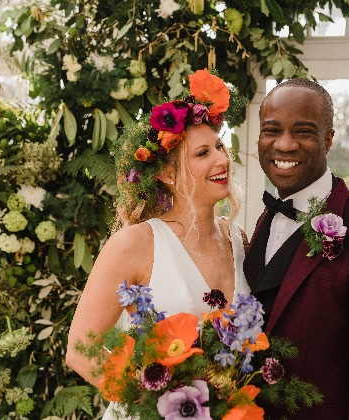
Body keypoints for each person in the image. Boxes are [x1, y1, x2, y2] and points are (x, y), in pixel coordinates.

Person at [66, 70, 250, 419]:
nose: (222, 160)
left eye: (220, 146)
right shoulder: (134, 244)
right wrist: (154, 405)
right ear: (166, 174)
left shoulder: (238, 240)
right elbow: (80, 350)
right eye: (202, 154)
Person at [243, 78, 349, 419]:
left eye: (303, 131)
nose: (284, 144)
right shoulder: (265, 219)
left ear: (328, 139)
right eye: (271, 130)